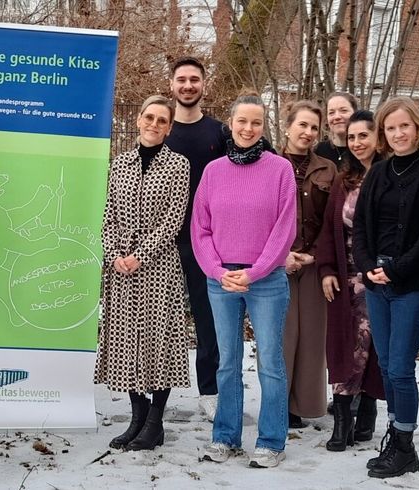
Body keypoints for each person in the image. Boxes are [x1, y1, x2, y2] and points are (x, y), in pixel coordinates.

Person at [351, 96, 419, 478]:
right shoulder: (378, 174)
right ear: (383, 134)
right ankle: (395, 434)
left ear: (418, 129)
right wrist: (368, 268)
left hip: (413, 286)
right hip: (377, 285)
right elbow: (361, 227)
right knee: (386, 364)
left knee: (400, 367)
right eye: (390, 128)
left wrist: (396, 270)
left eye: (404, 127)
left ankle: (405, 444)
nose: (398, 134)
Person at [193, 92, 297, 468]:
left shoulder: (280, 169)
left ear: (263, 126)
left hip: (266, 280)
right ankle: (225, 437)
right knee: (226, 362)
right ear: (231, 124)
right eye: (242, 121)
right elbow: (200, 228)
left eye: (256, 122)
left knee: (270, 361)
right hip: (221, 280)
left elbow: (284, 229)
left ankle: (271, 440)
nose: (248, 128)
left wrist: (254, 272)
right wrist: (220, 272)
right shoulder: (213, 171)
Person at [95, 95, 191, 451]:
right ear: (138, 120)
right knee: (127, 343)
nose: (153, 124)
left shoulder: (178, 165)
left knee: (158, 343)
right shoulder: (119, 163)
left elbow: (173, 220)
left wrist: (141, 255)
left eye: (161, 120)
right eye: (148, 117)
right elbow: (108, 216)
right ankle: (136, 419)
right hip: (121, 270)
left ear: (169, 127)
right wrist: (115, 254)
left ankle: (155, 423)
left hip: (158, 268)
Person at [316, 110, 385, 452]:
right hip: (346, 276)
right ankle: (342, 417)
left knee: (372, 344)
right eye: (353, 136)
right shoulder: (345, 181)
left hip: (382, 277)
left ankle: (367, 410)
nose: (358, 142)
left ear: (378, 136)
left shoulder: (390, 176)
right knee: (349, 345)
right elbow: (329, 231)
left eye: (364, 135)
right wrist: (327, 269)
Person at [162, 57, 227, 422]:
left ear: (204, 84)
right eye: (182, 79)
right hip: (164, 241)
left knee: (207, 318)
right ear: (171, 84)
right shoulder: (162, 131)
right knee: (162, 318)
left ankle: (210, 390)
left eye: (194, 80)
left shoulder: (220, 133)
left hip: (207, 241)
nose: (188, 86)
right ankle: (157, 394)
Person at [279, 100, 336, 429]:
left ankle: (303, 405)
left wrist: (315, 253)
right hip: (276, 262)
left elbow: (332, 219)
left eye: (314, 127)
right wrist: (281, 254)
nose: (308, 132)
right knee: (282, 336)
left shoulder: (327, 169)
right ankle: (278, 403)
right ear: (288, 126)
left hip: (314, 262)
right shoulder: (270, 163)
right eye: (302, 125)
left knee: (313, 335)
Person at [315, 93, 359, 168]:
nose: (337, 117)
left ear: (355, 114)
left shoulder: (363, 150)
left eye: (343, 110)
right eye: (331, 113)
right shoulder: (318, 152)